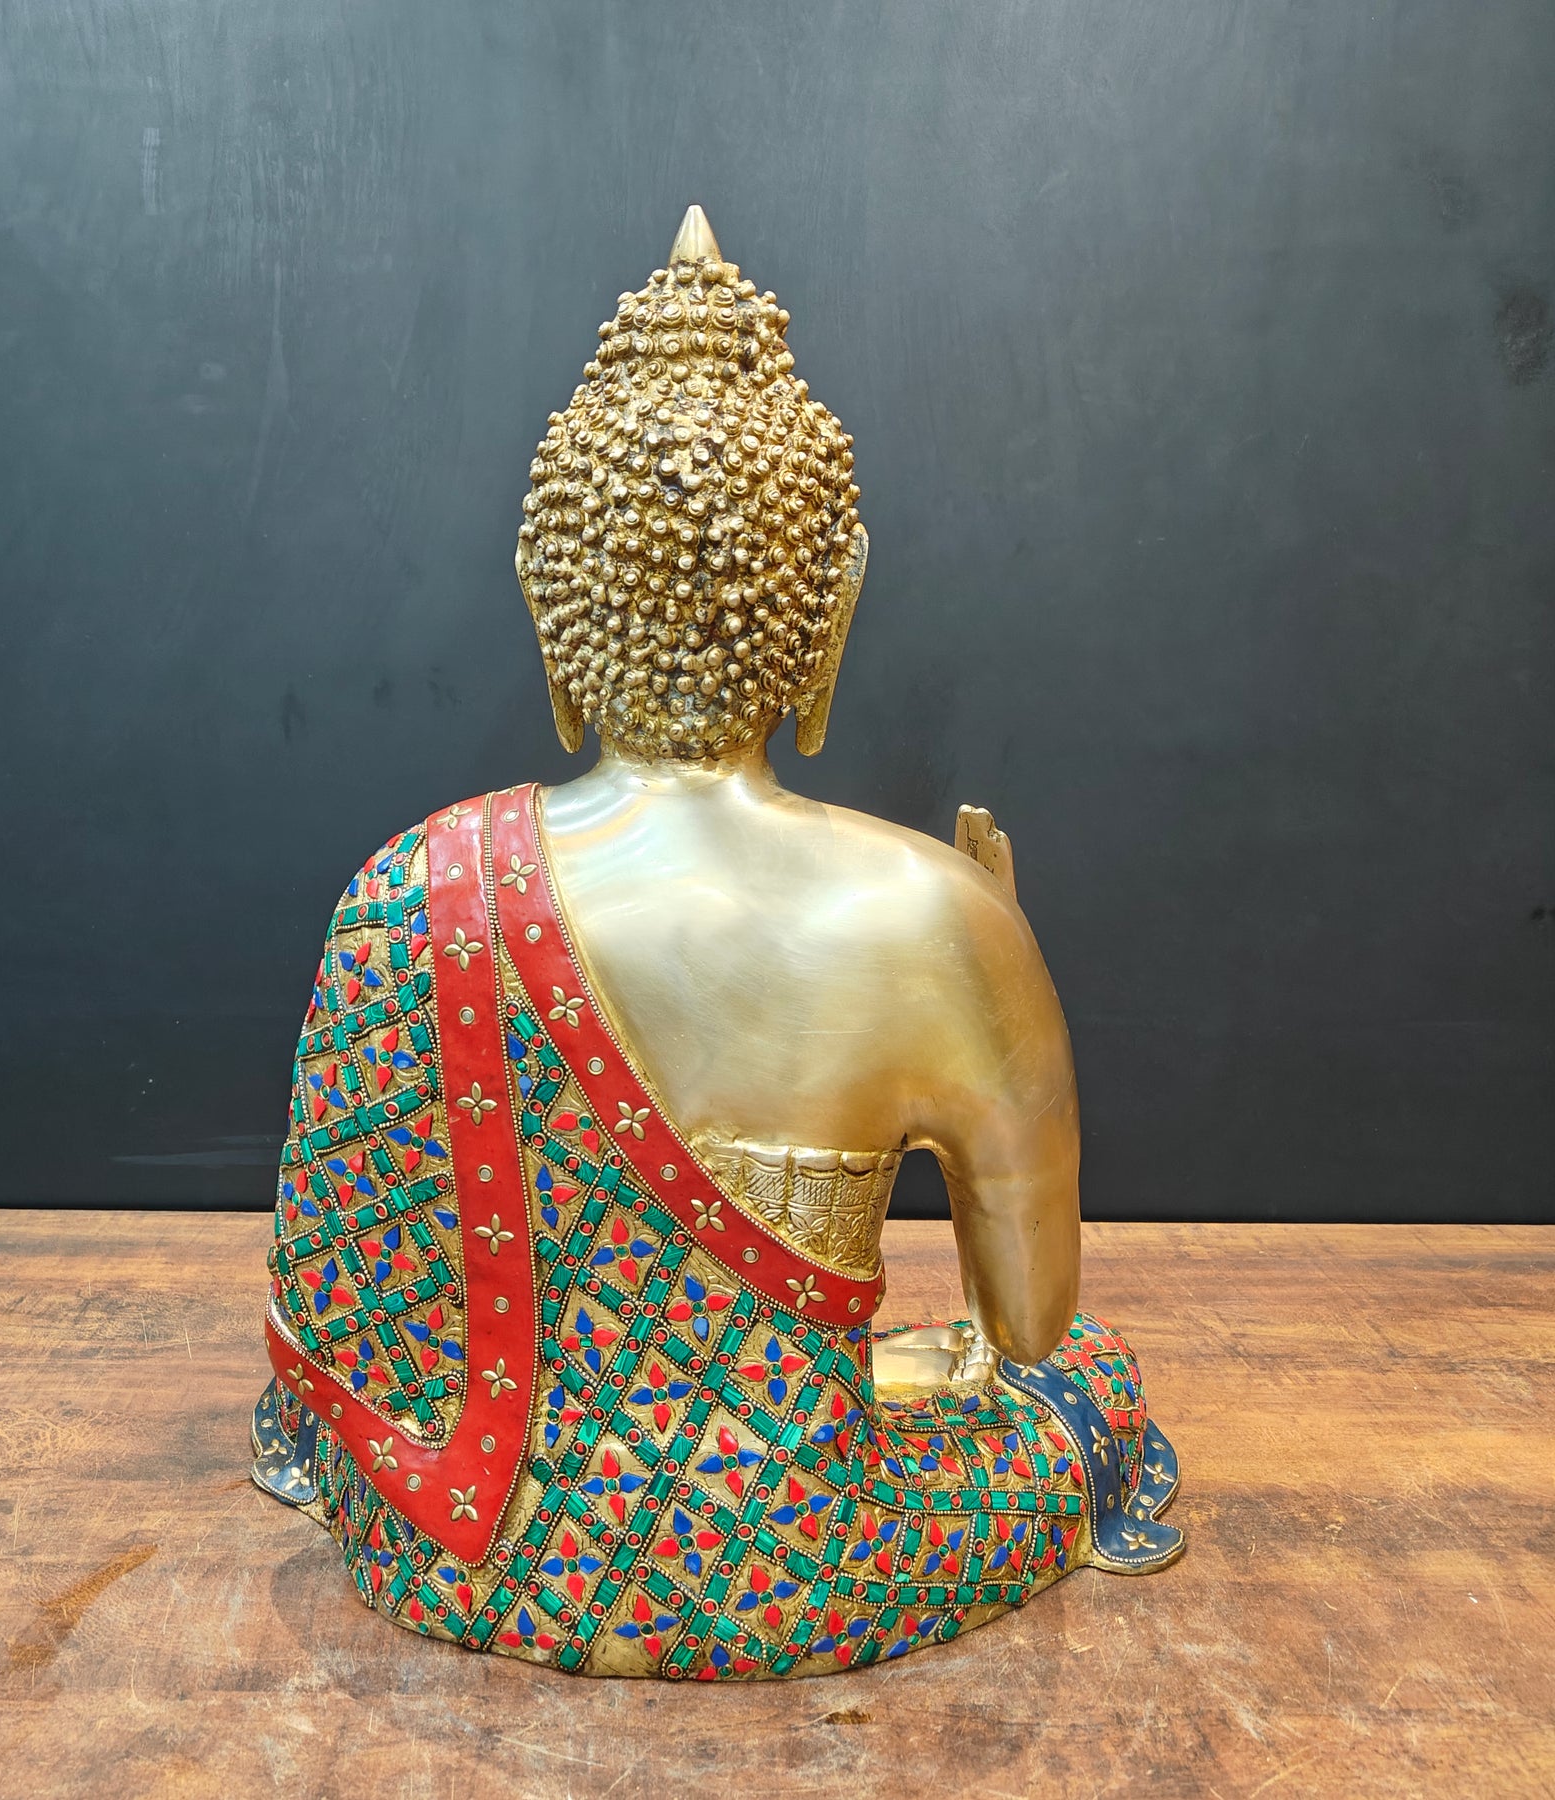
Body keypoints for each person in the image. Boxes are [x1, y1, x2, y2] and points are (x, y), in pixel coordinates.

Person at [251, 208, 1182, 1679]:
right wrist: (1000, 967)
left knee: (309, 1421)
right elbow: (1029, 1325)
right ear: (834, 596)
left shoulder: (406, 889)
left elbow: (332, 1336)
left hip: (453, 1554)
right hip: (790, 1567)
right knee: (1092, 1400)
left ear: (547, 594)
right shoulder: (935, 913)